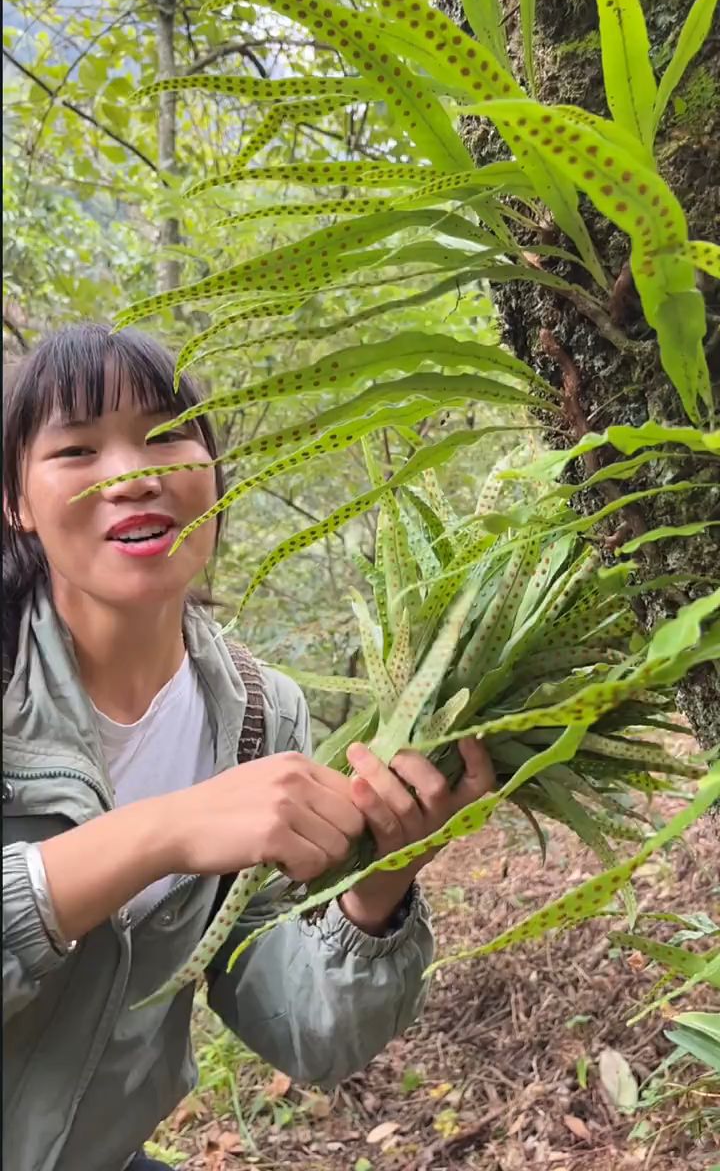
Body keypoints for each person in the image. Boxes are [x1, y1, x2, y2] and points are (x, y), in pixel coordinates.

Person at [2, 323, 494, 1171]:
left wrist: (376, 891)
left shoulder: (260, 717)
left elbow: (303, 1031)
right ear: (15, 502)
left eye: (167, 437)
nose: (136, 476)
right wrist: (162, 832)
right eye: (78, 449)